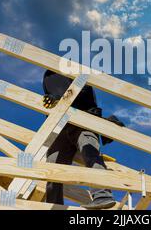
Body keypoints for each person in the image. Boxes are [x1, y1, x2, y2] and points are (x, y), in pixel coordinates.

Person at [42, 70, 125, 210]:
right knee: (52, 167)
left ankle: (102, 195)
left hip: (83, 121)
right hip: (60, 127)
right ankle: (54, 206)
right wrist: (53, 101)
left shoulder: (76, 73)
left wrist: (61, 97)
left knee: (90, 153)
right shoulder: (48, 75)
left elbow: (85, 95)